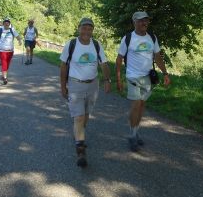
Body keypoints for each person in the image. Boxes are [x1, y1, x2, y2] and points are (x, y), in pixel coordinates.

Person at [114, 11, 171, 152]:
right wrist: (119, 79)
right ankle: (132, 136)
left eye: (146, 20)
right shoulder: (128, 38)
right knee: (137, 105)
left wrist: (165, 73)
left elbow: (157, 56)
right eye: (140, 20)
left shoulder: (152, 37)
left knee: (142, 105)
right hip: (133, 76)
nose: (144, 22)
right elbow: (119, 59)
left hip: (148, 77)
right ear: (134, 22)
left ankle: (136, 131)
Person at [59, 17, 111, 167]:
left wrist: (107, 80)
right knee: (79, 117)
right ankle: (81, 149)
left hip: (93, 85)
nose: (86, 32)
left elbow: (104, 64)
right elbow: (64, 67)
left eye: (89, 29)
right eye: (84, 28)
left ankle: (78, 133)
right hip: (75, 85)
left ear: (92, 31)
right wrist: (63, 86)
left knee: (86, 114)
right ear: (79, 28)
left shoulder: (96, 45)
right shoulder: (71, 45)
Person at [0, 17, 22, 85]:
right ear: (3, 24)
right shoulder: (0, 29)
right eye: (5, 23)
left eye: (8, 23)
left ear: (9, 24)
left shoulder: (12, 30)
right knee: (4, 63)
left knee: (7, 63)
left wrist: (20, 41)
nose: (6, 24)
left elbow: (17, 36)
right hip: (2, 50)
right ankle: (5, 78)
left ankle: (4, 74)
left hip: (10, 50)